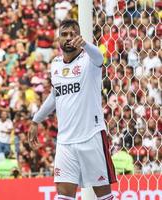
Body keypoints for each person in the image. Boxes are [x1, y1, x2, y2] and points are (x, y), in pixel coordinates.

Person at [28, 19, 117, 200]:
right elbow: (55, 95)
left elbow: (100, 58)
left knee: (103, 195)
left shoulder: (89, 60)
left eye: (73, 34)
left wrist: (85, 44)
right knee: (64, 194)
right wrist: (36, 120)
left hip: (91, 136)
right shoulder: (55, 64)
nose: (68, 38)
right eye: (64, 34)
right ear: (58, 39)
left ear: (79, 37)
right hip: (65, 141)